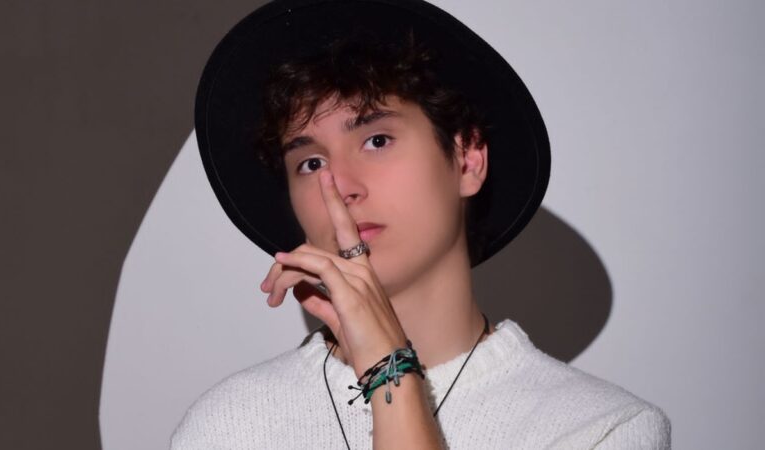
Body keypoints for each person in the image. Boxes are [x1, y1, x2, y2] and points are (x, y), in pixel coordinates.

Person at [173, 0, 671, 448]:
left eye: (377, 141)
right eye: (310, 163)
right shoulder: (227, 428)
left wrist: (389, 369)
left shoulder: (601, 429)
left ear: (468, 159)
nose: (340, 187)